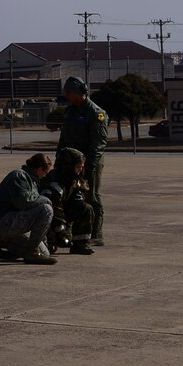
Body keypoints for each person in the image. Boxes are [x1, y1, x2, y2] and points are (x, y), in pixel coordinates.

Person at [56, 76, 108, 246]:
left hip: (89, 162)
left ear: (79, 93)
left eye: (69, 92)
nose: (67, 95)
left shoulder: (95, 112)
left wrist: (89, 165)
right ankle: (72, 231)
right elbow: (64, 138)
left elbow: (99, 143)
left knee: (91, 195)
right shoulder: (70, 111)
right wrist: (60, 158)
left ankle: (95, 233)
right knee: (69, 196)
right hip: (70, 162)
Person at [0, 152, 58, 265]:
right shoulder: (19, 176)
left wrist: (44, 241)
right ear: (39, 169)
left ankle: (0, 243)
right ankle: (30, 253)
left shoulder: (32, 181)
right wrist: (45, 200)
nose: (45, 175)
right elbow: (23, 202)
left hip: (13, 224)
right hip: (0, 222)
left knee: (44, 253)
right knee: (46, 209)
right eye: (45, 172)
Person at [42, 147, 96, 256]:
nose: (80, 170)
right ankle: (49, 241)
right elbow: (55, 208)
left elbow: (82, 191)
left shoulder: (75, 179)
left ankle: (80, 244)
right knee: (51, 245)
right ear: (68, 166)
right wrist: (61, 232)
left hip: (65, 212)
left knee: (86, 209)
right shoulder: (54, 181)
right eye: (77, 167)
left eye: (81, 167)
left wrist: (79, 198)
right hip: (51, 216)